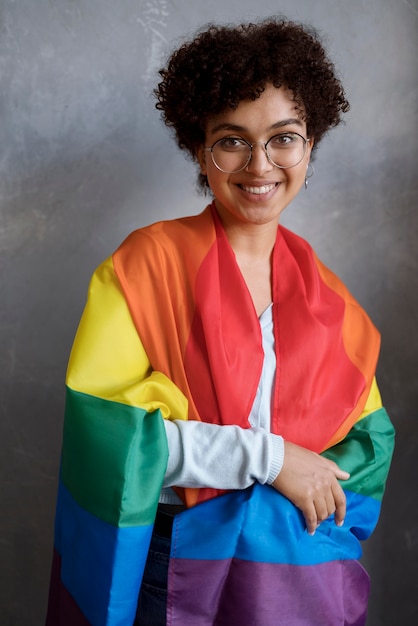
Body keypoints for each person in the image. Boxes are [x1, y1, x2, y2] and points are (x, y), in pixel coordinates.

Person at [46, 17, 395, 626]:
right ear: (199, 149)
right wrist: (271, 459)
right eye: (232, 140)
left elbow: (359, 457)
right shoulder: (143, 267)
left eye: (284, 137)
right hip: (170, 568)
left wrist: (297, 486)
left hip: (294, 573)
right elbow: (118, 440)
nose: (260, 164)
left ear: (310, 146)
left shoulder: (334, 304)